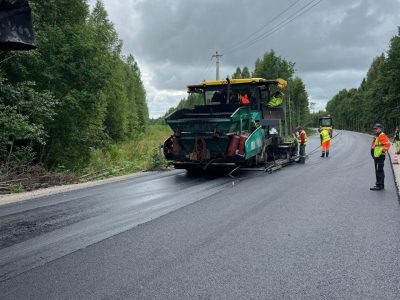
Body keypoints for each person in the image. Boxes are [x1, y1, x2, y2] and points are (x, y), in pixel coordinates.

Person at [370, 123, 391, 191]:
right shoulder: (377, 136)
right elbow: (374, 146)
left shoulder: (382, 135)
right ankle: (379, 184)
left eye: (376, 128)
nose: (375, 130)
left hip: (380, 156)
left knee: (379, 170)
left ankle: (379, 185)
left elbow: (387, 144)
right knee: (378, 170)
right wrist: (373, 153)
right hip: (377, 156)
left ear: (380, 129)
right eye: (374, 129)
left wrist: (382, 152)